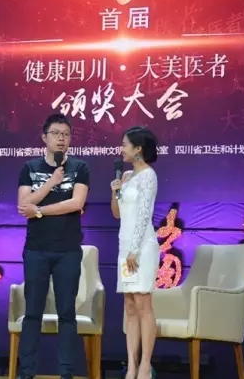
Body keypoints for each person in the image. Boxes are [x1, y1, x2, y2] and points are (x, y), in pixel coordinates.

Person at [16, 113, 90, 379]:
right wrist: (51, 182)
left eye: (66, 134)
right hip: (36, 249)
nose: (61, 139)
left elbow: (76, 203)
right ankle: (26, 371)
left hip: (67, 250)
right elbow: (23, 205)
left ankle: (66, 372)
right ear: (44, 137)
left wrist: (39, 211)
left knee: (67, 313)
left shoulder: (80, 167)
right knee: (32, 312)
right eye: (56, 134)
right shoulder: (29, 167)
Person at [110, 126, 160, 379]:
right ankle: (131, 365)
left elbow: (143, 215)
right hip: (124, 246)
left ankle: (145, 366)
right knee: (129, 305)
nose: (121, 149)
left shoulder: (148, 176)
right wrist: (114, 192)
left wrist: (135, 250)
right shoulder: (127, 176)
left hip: (142, 247)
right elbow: (117, 214)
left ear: (138, 148)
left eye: (125, 144)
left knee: (143, 303)